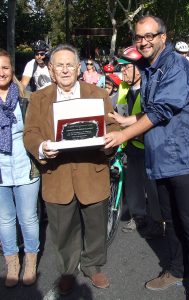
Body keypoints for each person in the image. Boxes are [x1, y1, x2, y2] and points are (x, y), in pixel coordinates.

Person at [105, 15, 189, 300]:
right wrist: (128, 121)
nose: (144, 41)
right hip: (161, 157)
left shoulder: (176, 66)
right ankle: (176, 270)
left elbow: (162, 110)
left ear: (164, 37)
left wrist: (123, 135)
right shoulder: (150, 67)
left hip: (185, 158)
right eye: (139, 36)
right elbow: (152, 109)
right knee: (171, 220)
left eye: (150, 35)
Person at [23, 44, 119, 296]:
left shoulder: (98, 94)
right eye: (59, 65)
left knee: (96, 224)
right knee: (62, 228)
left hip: (92, 170)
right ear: (51, 70)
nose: (65, 70)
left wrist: (111, 143)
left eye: (69, 65)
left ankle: (93, 264)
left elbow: (113, 125)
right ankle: (67, 270)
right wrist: (41, 147)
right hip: (57, 174)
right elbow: (30, 133)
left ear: (78, 68)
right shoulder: (39, 98)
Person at [112, 46, 162, 236]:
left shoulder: (151, 89)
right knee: (133, 184)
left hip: (150, 147)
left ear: (139, 68)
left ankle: (159, 220)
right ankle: (138, 215)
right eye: (121, 67)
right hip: (130, 145)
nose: (122, 71)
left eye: (127, 67)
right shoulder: (123, 87)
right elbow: (113, 106)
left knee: (153, 186)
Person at [0, 49, 40, 287]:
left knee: (28, 217)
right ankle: (12, 262)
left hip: (25, 166)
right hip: (0, 170)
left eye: (5, 67)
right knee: (5, 220)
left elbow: (37, 129)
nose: (1, 72)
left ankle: (31, 260)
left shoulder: (27, 96)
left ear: (12, 69)